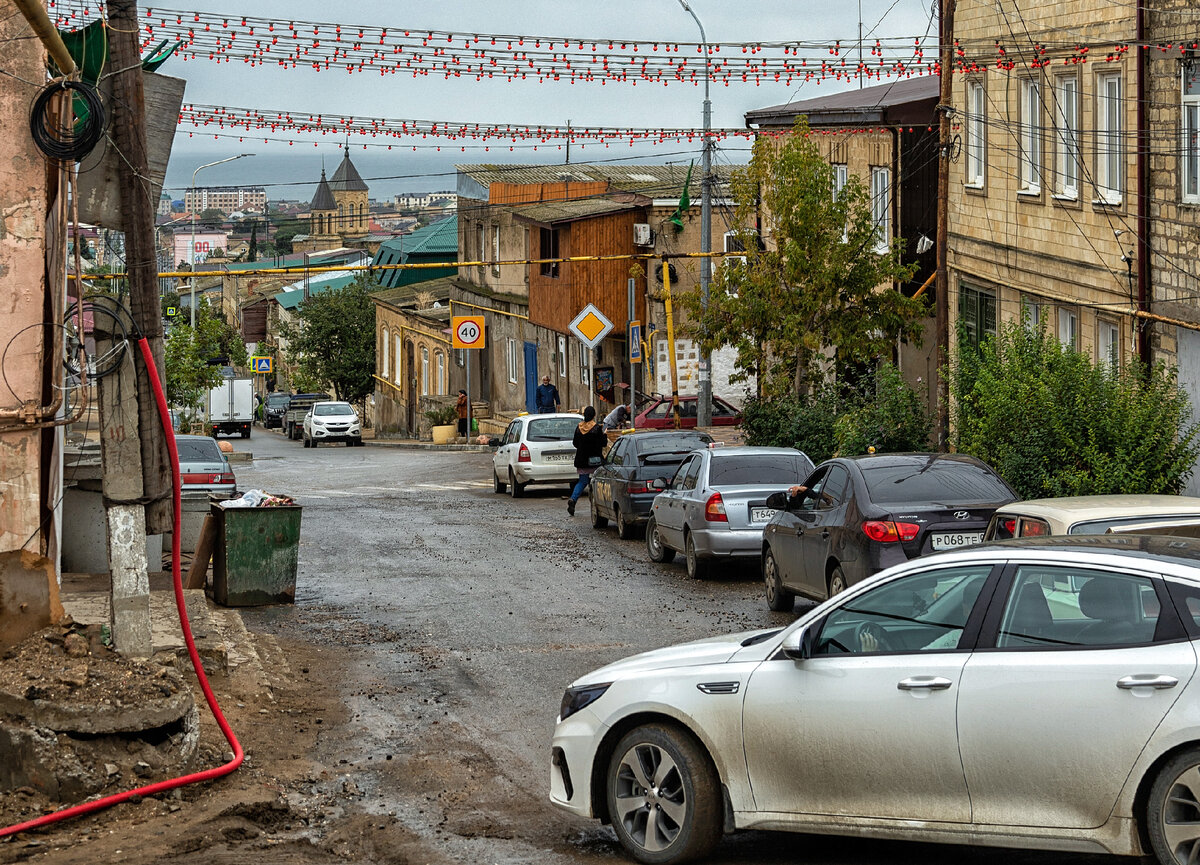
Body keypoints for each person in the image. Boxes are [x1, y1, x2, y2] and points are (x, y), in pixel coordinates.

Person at [567, 406, 606, 516]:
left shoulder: (579, 427)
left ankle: (573, 500)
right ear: (594, 415)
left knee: (582, 482)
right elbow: (603, 443)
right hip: (595, 461)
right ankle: (598, 505)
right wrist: (605, 434)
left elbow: (575, 443)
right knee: (597, 482)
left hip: (582, 460)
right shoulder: (596, 428)